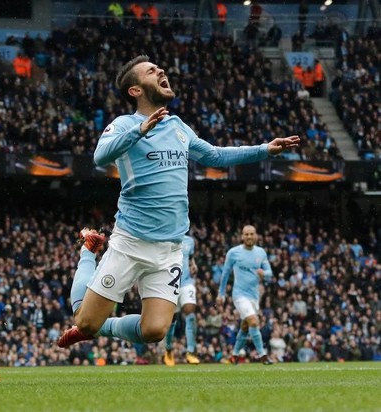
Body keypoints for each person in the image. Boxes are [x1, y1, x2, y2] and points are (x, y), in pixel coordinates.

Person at [58, 55, 299, 349]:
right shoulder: (124, 124)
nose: (160, 70)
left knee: (154, 331)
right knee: (84, 321)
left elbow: (215, 156)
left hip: (170, 248)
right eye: (151, 71)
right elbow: (100, 157)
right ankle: (88, 251)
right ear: (135, 90)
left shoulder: (177, 126)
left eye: (159, 68)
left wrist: (264, 149)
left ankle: (102, 327)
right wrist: (139, 131)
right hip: (131, 241)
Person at [216, 225, 274, 365]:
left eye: (251, 234)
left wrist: (264, 274)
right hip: (239, 294)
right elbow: (225, 274)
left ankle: (234, 356)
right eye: (246, 234)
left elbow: (270, 274)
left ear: (256, 236)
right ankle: (262, 355)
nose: (249, 237)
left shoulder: (261, 253)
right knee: (253, 321)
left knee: (246, 326)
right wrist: (221, 294)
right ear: (242, 236)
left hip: (254, 296)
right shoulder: (233, 252)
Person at [163, 234, 199, 366]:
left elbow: (191, 258)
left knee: (190, 311)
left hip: (186, 282)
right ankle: (168, 350)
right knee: (171, 319)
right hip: (169, 284)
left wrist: (193, 265)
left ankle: (191, 352)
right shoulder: (163, 238)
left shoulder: (190, 241)